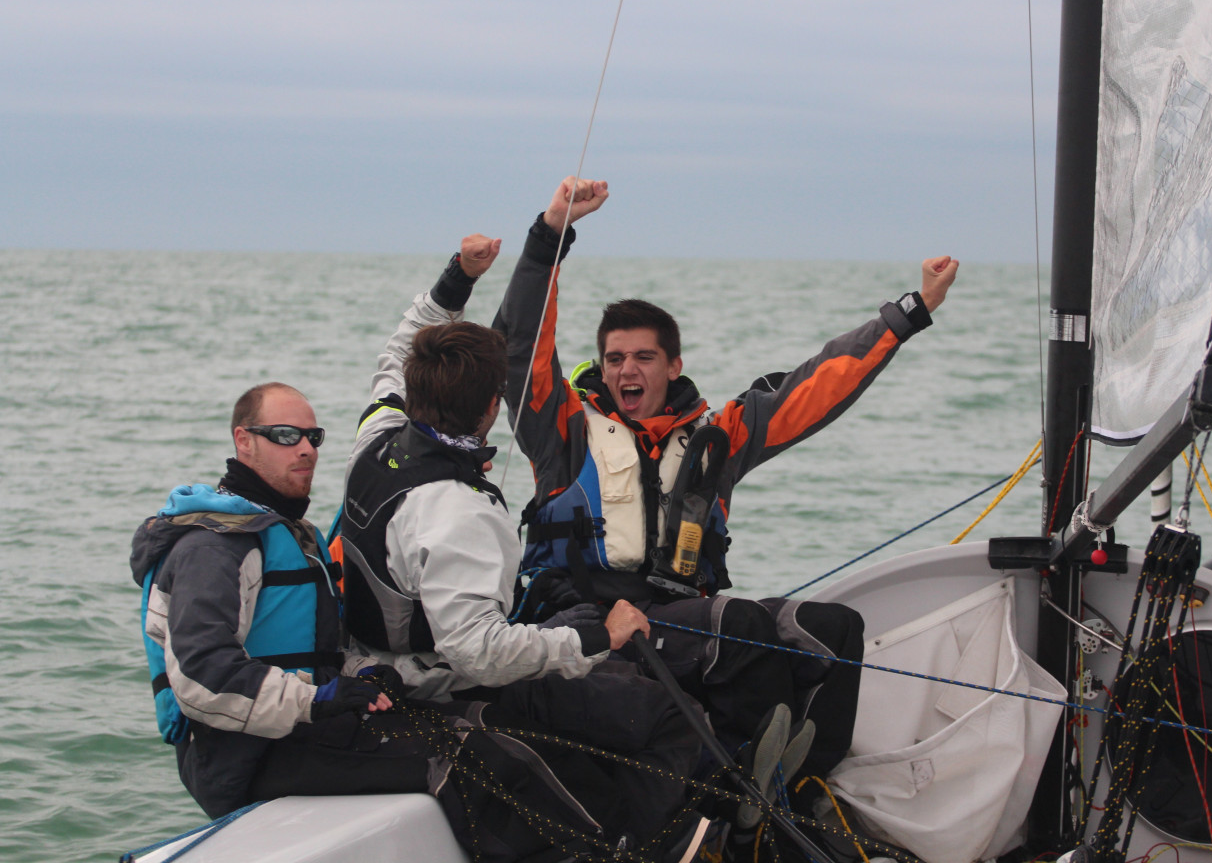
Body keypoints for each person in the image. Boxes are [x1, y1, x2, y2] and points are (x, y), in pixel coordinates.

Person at [492, 177, 960, 832]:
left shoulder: (719, 437)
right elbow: (519, 349)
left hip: (682, 612)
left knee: (836, 631)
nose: (628, 370)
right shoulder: (563, 430)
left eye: (644, 358)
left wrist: (909, 312)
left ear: (672, 365)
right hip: (591, 618)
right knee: (738, 627)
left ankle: (794, 792)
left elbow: (814, 387)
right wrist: (549, 235)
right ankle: (737, 797)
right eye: (615, 358)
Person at [332, 215, 709, 858]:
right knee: (673, 721)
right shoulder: (457, 513)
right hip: (438, 682)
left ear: (416, 391)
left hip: (374, 656)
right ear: (489, 410)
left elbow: (397, 349)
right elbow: (479, 653)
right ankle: (647, 849)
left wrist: (460, 277)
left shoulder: (376, 438)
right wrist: (600, 636)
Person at [130, 382, 412, 821]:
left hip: (300, 734)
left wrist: (363, 674)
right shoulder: (215, 546)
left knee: (463, 726)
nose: (306, 449)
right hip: (241, 758)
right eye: (286, 436)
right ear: (243, 440)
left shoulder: (296, 535)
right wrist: (317, 700)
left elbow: (317, 652)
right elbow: (200, 675)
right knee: (457, 762)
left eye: (313, 437)